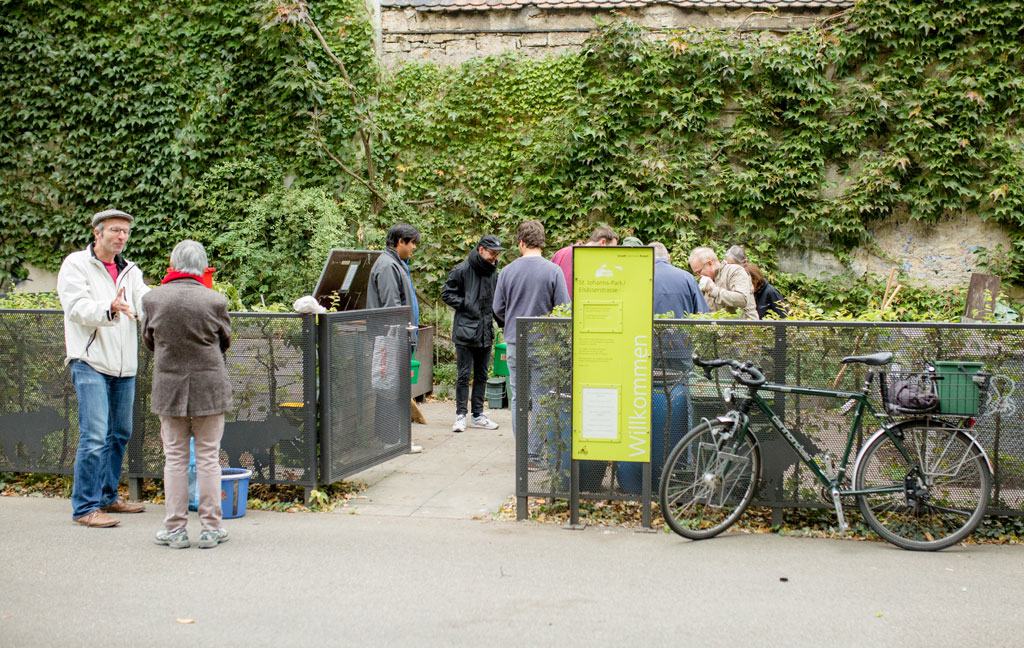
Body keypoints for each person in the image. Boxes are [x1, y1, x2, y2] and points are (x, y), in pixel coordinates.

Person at [57, 209, 150, 527]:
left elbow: (145, 300)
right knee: (95, 435)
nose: (121, 236)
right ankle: (84, 508)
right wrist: (108, 308)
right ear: (97, 233)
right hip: (90, 362)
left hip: (125, 367)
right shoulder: (76, 264)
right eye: (114, 230)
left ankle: (108, 498)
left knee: (119, 433)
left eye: (125, 231)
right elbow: (76, 307)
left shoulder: (131, 270)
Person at [142, 240, 232, 549]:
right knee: (209, 458)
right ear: (202, 265)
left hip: (169, 388)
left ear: (173, 263)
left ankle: (175, 530)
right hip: (210, 386)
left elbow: (149, 341)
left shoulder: (153, 299)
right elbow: (225, 340)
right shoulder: (215, 300)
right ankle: (210, 528)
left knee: (175, 460)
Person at [492, 220, 570, 469]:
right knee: (540, 398)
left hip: (515, 341)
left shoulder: (507, 271)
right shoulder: (553, 271)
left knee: (517, 398)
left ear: (521, 242)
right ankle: (534, 456)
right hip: (544, 344)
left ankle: (522, 452)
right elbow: (563, 309)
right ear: (541, 242)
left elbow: (497, 309)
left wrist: (511, 323)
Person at [367, 223, 423, 453]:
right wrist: (403, 336)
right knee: (391, 388)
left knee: (391, 387)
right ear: (400, 241)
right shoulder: (388, 266)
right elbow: (392, 306)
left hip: (397, 335)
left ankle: (391, 438)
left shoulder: (394, 263)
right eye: (412, 244)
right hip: (393, 337)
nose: (413, 249)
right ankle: (394, 440)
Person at [441, 235, 505, 433]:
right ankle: (461, 415)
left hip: (485, 331)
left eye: (497, 255)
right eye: (492, 254)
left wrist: (502, 323)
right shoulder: (461, 270)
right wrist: (467, 305)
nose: (495, 258)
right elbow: (447, 294)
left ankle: (477, 415)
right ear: (481, 250)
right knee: (463, 375)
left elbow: (495, 303)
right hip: (465, 332)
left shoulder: (493, 273)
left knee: (482, 375)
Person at [688, 247, 759, 320]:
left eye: (699, 272)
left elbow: (742, 299)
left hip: (745, 329)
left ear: (710, 263)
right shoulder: (707, 282)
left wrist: (713, 290)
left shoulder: (735, 271)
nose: (698, 276)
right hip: (721, 330)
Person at [550, 225, 618, 299]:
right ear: (603, 242)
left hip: (557, 308)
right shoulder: (595, 263)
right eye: (612, 249)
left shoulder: (561, 253)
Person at [650, 242, 708, 319]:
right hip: (683, 331)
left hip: (645, 331)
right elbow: (702, 314)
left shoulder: (640, 279)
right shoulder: (688, 278)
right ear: (668, 258)